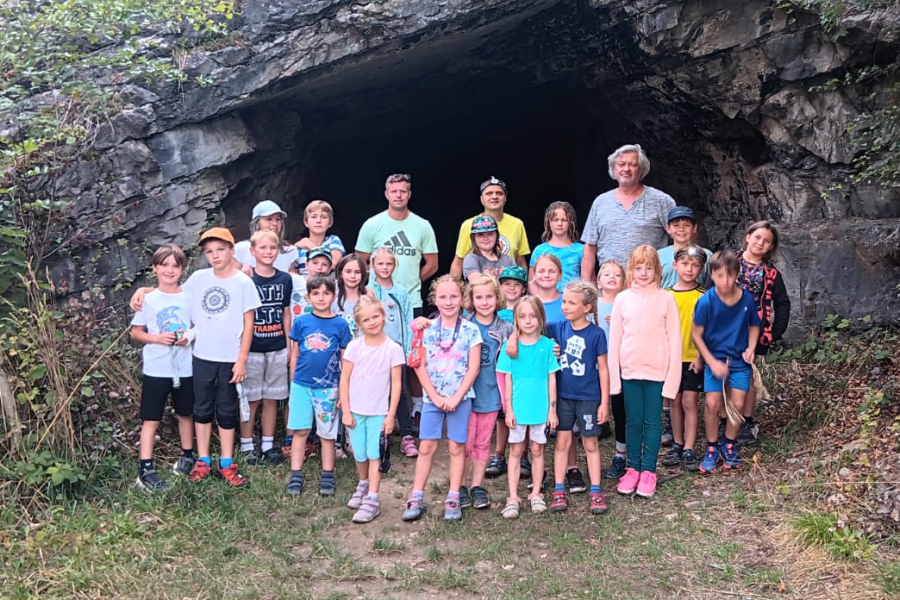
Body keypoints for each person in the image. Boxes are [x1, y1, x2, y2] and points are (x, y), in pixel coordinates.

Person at [355, 173, 439, 430]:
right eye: (394, 191)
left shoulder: (422, 225)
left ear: (409, 194)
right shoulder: (372, 224)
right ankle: (379, 411)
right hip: (376, 302)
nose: (399, 195)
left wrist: (408, 284)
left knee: (412, 356)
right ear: (386, 194)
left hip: (410, 300)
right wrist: (373, 289)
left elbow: (432, 264)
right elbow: (360, 263)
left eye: (403, 191)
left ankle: (417, 410)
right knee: (376, 353)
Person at [184, 228, 262, 487]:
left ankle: (227, 462)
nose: (215, 256)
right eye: (209, 252)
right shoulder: (198, 278)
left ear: (231, 250)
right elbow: (175, 295)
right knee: (202, 407)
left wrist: (242, 359)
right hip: (202, 354)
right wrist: (145, 291)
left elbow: (249, 323)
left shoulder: (243, 282)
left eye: (220, 250)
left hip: (230, 357)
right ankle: (203, 459)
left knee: (227, 408)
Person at [403, 275, 482, 522]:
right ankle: (417, 495)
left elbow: (474, 368)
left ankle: (454, 496)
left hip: (461, 399)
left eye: (454, 296)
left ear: (462, 299)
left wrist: (457, 397)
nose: (448, 302)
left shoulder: (471, 330)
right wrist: (435, 396)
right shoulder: (426, 329)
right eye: (443, 297)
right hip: (432, 400)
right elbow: (418, 364)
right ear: (434, 300)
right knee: (426, 447)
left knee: (457, 447)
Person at [608, 245, 681, 498]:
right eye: (638, 268)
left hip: (656, 374)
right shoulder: (622, 299)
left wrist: (672, 383)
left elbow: (675, 341)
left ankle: (649, 471)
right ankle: (632, 468)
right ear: (631, 269)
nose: (643, 272)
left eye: (649, 268)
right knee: (632, 421)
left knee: (652, 422)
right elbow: (615, 340)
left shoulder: (666, 299)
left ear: (657, 270)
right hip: (629, 372)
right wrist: (614, 380)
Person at [130, 244, 195, 491]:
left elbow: (199, 325)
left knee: (185, 413)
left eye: (175, 266)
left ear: (182, 269)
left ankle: (187, 456)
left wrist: (188, 337)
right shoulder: (148, 299)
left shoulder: (189, 297)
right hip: (156, 368)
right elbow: (136, 332)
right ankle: (145, 469)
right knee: (151, 418)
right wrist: (157, 338)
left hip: (185, 367)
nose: (170, 270)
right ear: (155, 268)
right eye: (164, 265)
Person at [693, 252, 761, 473]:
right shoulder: (706, 301)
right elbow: (696, 335)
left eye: (730, 275)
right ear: (712, 275)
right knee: (712, 404)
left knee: (737, 404)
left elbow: (754, 325)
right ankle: (712, 446)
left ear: (737, 275)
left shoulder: (747, 299)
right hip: (715, 359)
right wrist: (710, 362)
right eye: (720, 275)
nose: (725, 281)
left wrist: (751, 347)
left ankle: (729, 443)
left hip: (739, 360)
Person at [285, 274, 352, 496]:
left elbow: (345, 359)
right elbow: (295, 354)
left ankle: (328, 474)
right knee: (300, 430)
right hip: (301, 386)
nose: (321, 298)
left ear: (334, 296)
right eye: (315, 293)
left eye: (326, 293)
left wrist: (343, 389)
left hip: (328, 388)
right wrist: (293, 381)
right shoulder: (301, 322)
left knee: (327, 433)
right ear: (308, 296)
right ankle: (296, 474)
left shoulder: (340, 324)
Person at [339, 297, 405, 523]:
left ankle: (373, 499)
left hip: (378, 412)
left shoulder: (393, 349)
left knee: (375, 454)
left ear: (383, 316)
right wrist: (346, 411)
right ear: (359, 323)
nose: (372, 322)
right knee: (359, 453)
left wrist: (391, 415)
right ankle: (363, 484)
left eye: (375, 316)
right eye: (366, 320)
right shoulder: (354, 347)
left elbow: (396, 384)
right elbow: (345, 378)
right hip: (356, 411)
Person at [548, 281, 611, 514]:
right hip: (563, 397)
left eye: (571, 303)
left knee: (590, 443)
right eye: (564, 301)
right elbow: (528, 328)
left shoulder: (597, 334)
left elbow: (603, 369)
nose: (565, 306)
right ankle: (559, 489)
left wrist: (604, 403)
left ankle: (596, 491)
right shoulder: (557, 327)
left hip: (588, 398)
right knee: (562, 443)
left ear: (587, 307)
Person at [496, 297, 560, 518]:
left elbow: (552, 380)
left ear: (541, 318)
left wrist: (552, 409)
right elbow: (507, 380)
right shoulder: (510, 347)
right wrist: (509, 410)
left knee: (537, 450)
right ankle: (513, 497)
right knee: (515, 451)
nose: (528, 321)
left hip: (540, 410)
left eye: (533, 316)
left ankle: (536, 493)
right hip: (518, 409)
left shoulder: (549, 346)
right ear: (516, 320)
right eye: (523, 316)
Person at [733, 221, 790, 445]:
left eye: (767, 241)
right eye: (757, 237)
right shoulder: (729, 262)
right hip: (724, 328)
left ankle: (746, 421)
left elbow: (782, 303)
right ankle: (726, 419)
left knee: (745, 374)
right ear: (748, 236)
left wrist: (775, 332)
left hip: (753, 332)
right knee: (724, 374)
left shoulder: (771, 274)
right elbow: (709, 289)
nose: (760, 243)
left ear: (771, 247)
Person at [581, 144, 675, 280]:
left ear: (641, 169)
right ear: (614, 169)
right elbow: (590, 247)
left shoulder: (661, 201)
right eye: (621, 164)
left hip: (649, 283)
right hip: (611, 284)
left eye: (633, 165)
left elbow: (681, 239)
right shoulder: (600, 203)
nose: (626, 169)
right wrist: (587, 286)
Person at [238, 230, 292, 468]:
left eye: (272, 248)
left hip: (277, 345)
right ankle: (247, 444)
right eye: (263, 248)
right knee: (251, 399)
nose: (268, 252)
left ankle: (268, 445)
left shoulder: (285, 279)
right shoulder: (246, 280)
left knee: (272, 398)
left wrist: (289, 344)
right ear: (253, 251)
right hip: (252, 347)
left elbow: (286, 312)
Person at [461, 274, 513, 510]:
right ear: (471, 299)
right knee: (464, 442)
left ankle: (477, 485)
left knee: (483, 442)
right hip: (465, 394)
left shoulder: (507, 329)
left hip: (491, 394)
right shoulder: (462, 324)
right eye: (479, 297)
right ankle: (460, 485)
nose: (484, 302)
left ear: (497, 297)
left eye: (489, 297)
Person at [660, 246, 707, 472]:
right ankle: (677, 443)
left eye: (695, 265)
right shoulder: (665, 295)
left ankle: (689, 447)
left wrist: (700, 356)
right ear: (675, 265)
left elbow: (708, 329)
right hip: (671, 358)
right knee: (674, 401)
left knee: (690, 401)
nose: (689, 269)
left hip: (692, 357)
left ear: (702, 269)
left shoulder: (704, 296)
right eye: (685, 264)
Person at [368, 247, 418, 458]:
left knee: (401, 392)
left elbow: (408, 321)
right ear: (372, 266)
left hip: (397, 351)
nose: (384, 267)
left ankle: (406, 436)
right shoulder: (368, 290)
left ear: (395, 266)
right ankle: (381, 435)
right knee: (377, 392)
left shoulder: (401, 292)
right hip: (374, 352)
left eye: (389, 264)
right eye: (380, 263)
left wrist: (408, 350)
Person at [450, 176, 530, 278]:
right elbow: (458, 263)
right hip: (478, 285)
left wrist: (523, 284)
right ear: (482, 199)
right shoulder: (468, 225)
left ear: (505, 198)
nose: (494, 196)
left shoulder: (517, 224)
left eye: (499, 193)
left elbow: (520, 262)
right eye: (489, 193)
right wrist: (454, 285)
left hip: (507, 284)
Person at [596, 261, 628, 481]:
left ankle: (621, 453)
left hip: (621, 365)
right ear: (598, 282)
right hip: (596, 366)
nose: (612, 277)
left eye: (617, 274)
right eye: (606, 274)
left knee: (620, 409)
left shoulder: (627, 304)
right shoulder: (593, 305)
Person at [530, 201, 583, 291]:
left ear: (571, 222)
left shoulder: (581, 250)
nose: (559, 224)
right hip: (545, 297)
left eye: (564, 220)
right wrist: (539, 298)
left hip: (574, 297)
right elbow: (532, 282)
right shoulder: (539, 250)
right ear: (549, 222)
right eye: (555, 220)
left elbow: (587, 280)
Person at [234, 200, 297, 273]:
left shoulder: (290, 250)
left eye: (278, 219)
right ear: (257, 223)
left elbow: (292, 277)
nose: (275, 223)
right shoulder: (241, 249)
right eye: (269, 219)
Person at [658, 206, 712, 290]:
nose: (681, 229)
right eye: (676, 225)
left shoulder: (706, 255)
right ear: (668, 228)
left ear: (694, 228)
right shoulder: (658, 255)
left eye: (687, 225)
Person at [293, 199, 345, 275]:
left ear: (330, 222)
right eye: (313, 217)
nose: (318, 221)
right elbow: (291, 272)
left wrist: (310, 245)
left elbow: (334, 263)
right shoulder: (299, 248)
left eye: (324, 217)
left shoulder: (333, 240)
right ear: (306, 222)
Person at [462, 215, 515, 283]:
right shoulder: (471, 258)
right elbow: (478, 283)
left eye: (490, 234)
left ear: (497, 235)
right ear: (473, 238)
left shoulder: (508, 260)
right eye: (480, 234)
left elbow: (515, 284)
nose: (486, 238)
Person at [532, 254, 564, 325]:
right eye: (541, 271)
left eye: (552, 271)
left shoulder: (568, 302)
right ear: (534, 275)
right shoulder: (528, 304)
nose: (546, 275)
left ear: (560, 275)